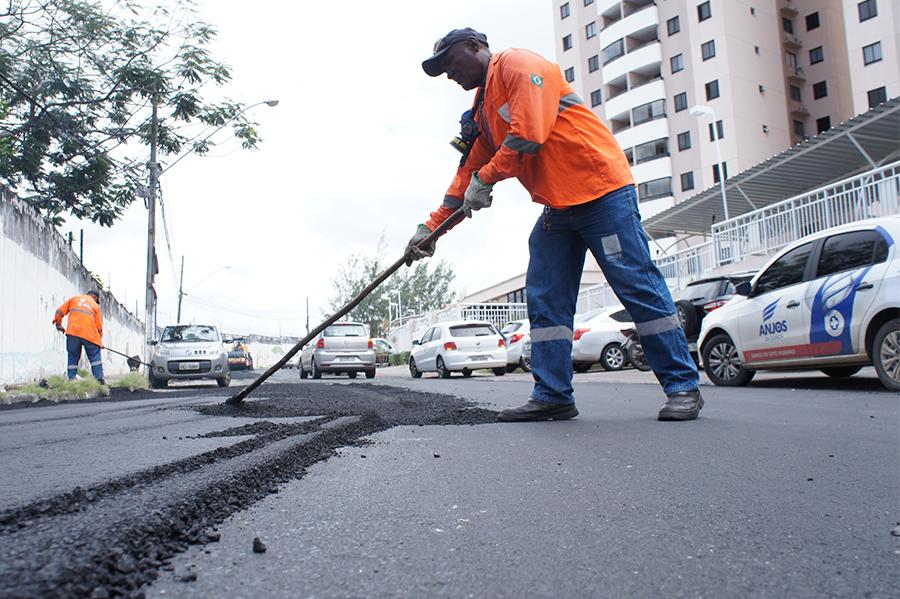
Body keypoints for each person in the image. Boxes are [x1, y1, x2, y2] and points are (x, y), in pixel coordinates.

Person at [406, 28, 702, 422]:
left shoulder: (518, 65)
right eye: (442, 70)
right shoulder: (483, 112)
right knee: (545, 295)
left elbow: (528, 136)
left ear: (475, 47)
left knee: (635, 283)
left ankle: (682, 386)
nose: (449, 74)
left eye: (450, 62)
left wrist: (487, 178)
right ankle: (553, 394)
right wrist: (431, 231)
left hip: (601, 192)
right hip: (559, 205)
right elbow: (467, 176)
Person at [52, 290, 105, 385]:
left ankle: (72, 380)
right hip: (89, 335)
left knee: (72, 357)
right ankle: (99, 380)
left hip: (73, 333)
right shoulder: (95, 306)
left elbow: (59, 311)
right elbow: (99, 328)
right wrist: (99, 342)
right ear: (95, 298)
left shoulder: (74, 299)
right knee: (95, 358)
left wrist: (58, 323)